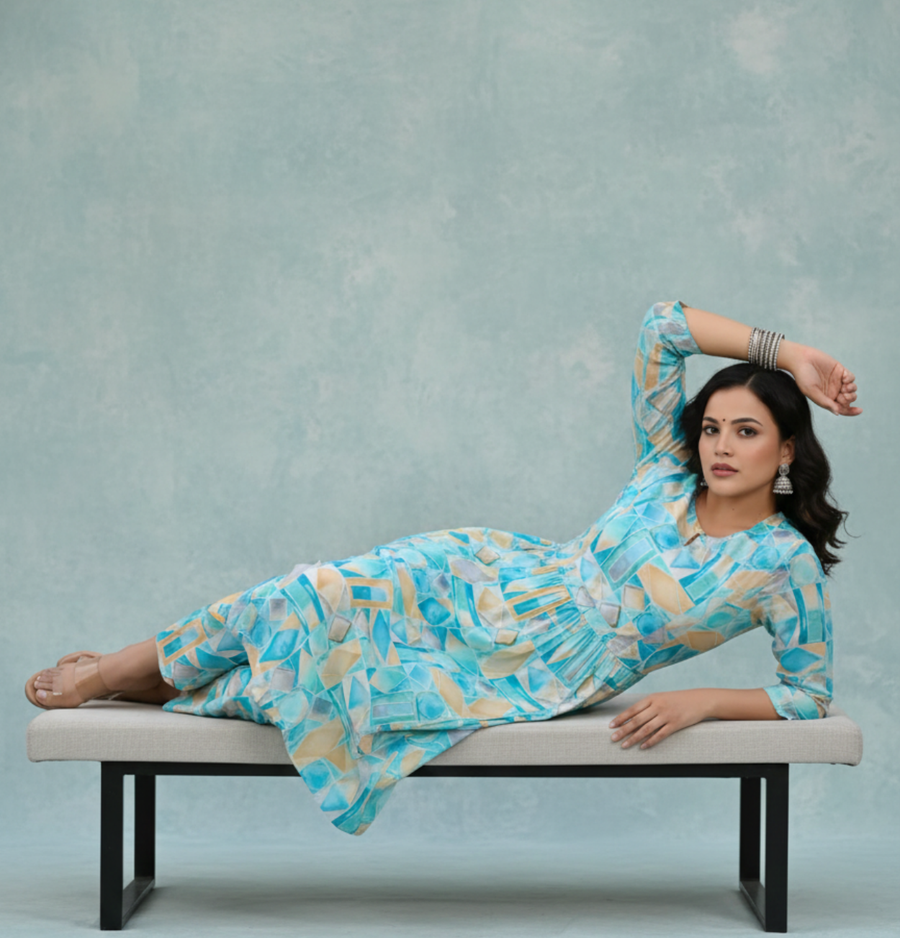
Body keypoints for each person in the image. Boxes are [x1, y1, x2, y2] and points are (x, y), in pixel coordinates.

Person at [25, 302, 860, 834]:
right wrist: (789, 352)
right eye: (713, 427)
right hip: (488, 574)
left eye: (745, 432)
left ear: (787, 449)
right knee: (315, 589)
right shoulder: (665, 469)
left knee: (340, 665)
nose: (719, 446)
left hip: (540, 669)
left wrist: (702, 699)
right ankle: (124, 665)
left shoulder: (781, 564)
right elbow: (661, 329)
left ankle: (170, 683)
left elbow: (806, 692)